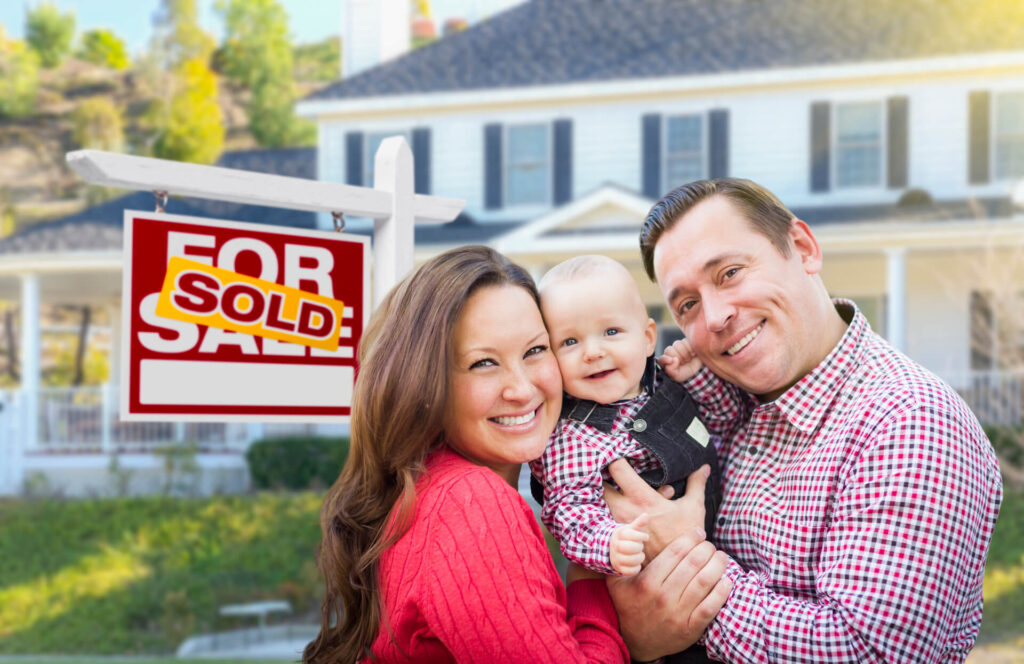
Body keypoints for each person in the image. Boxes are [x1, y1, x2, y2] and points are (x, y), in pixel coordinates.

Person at [603, 177, 1004, 663]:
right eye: (687, 304)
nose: (713, 317)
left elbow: (868, 653)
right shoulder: (719, 405)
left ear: (803, 248)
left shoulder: (909, 421)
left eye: (729, 273)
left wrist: (684, 568)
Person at [302, 245, 731, 664]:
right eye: (483, 363)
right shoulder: (471, 504)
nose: (522, 389)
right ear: (424, 383)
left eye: (534, 351)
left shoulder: (430, 484)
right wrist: (610, 608)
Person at [529, 254, 722, 580]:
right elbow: (570, 512)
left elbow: (723, 421)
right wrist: (609, 543)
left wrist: (696, 377)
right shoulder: (571, 435)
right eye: (570, 341)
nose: (592, 352)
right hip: (648, 572)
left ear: (647, 339)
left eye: (611, 331)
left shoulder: (665, 381)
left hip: (722, 544)